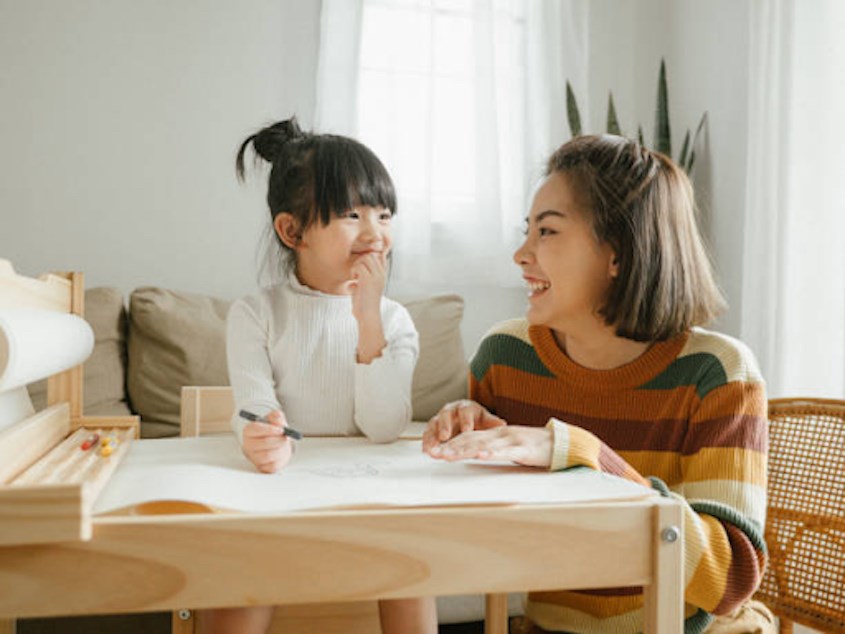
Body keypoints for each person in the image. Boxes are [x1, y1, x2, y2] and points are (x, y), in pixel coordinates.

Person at [423, 135, 774, 634]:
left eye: (547, 231)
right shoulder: (505, 357)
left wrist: (585, 456)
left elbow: (728, 579)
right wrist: (464, 435)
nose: (521, 254)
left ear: (618, 254)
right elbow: (483, 534)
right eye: (527, 231)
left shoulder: (717, 374)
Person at [199, 117, 437, 634]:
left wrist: (367, 317)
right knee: (242, 570)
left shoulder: (394, 321)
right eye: (352, 215)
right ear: (293, 231)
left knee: (412, 566)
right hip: (283, 493)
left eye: (384, 214)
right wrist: (260, 435)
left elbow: (382, 427)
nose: (374, 233)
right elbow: (252, 403)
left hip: (369, 496)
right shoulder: (256, 312)